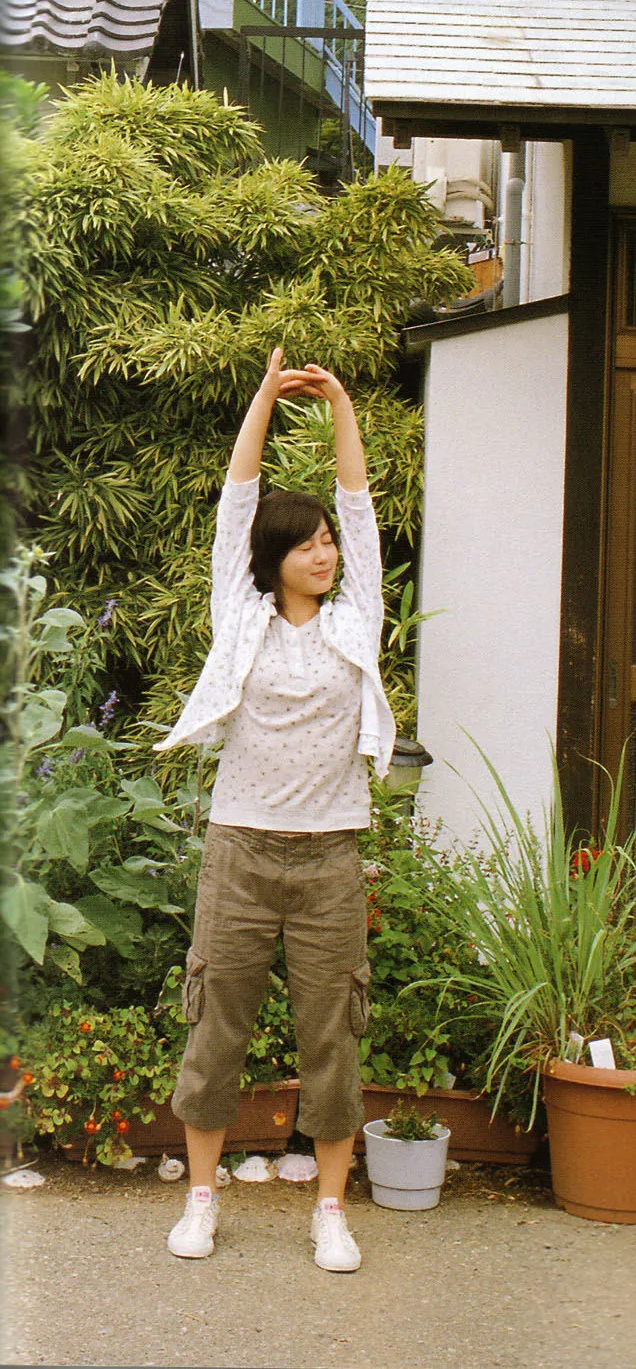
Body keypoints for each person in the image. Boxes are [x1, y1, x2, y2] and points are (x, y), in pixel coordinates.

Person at [154, 350, 396, 1271]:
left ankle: (330, 1208)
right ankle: (202, 1197)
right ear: (274, 559)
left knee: (330, 1035)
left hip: (332, 855)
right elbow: (235, 496)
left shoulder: (354, 618)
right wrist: (262, 395)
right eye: (308, 543)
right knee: (217, 1024)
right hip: (242, 848)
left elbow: (364, 508)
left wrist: (338, 401)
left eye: (329, 540)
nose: (327, 551)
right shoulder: (240, 614)